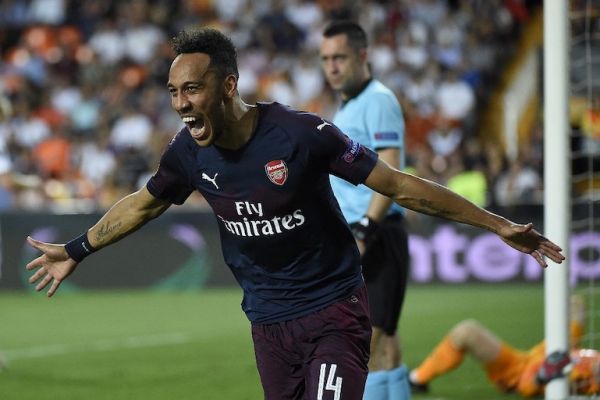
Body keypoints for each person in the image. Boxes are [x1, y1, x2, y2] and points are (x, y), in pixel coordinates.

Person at [25, 27, 565, 400]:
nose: (182, 103)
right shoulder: (187, 152)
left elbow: (399, 185)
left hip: (333, 310)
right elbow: (143, 204)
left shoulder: (302, 135)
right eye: (173, 92)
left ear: (228, 85)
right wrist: (76, 250)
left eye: (192, 88)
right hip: (267, 324)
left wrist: (498, 225)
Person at [320, 20, 410, 400]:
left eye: (340, 57)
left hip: (376, 233)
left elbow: (390, 170)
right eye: (326, 59)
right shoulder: (349, 106)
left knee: (368, 344)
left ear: (363, 55)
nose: (332, 67)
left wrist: (364, 229)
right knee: (384, 341)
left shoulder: (378, 100)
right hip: (365, 232)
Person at [408, 295, 599, 397]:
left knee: (466, 332)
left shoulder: (585, 380)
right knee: (576, 302)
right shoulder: (592, 362)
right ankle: (418, 379)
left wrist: (541, 377)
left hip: (520, 373)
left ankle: (417, 380)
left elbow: (527, 388)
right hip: (548, 350)